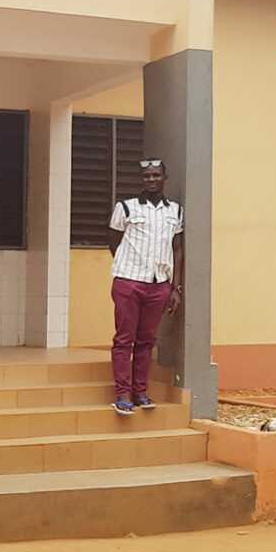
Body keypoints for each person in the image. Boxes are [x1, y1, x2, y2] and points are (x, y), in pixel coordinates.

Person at [106, 158, 184, 415]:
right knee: (124, 339)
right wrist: (130, 269)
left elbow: (177, 248)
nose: (151, 179)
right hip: (129, 283)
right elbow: (114, 242)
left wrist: (175, 288)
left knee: (147, 341)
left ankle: (141, 392)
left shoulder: (175, 211)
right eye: (147, 176)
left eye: (156, 175)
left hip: (159, 286)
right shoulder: (126, 208)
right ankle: (123, 394)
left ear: (164, 178)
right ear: (141, 179)